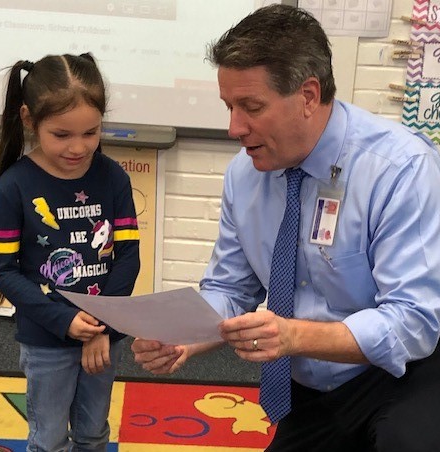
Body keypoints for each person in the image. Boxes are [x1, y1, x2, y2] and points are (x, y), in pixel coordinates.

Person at [131, 5, 440, 452]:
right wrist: (183, 337)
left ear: (308, 96)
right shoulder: (245, 174)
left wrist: (294, 336)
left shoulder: (401, 169)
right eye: (229, 107)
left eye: (251, 107)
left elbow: (414, 320)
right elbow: (230, 289)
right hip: (313, 390)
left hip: (403, 374)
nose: (235, 128)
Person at [0, 53, 140, 451]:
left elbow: (127, 257)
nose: (78, 147)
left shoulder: (113, 176)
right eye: (62, 135)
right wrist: (66, 321)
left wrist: (102, 325)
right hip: (46, 341)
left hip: (105, 338)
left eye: (91, 133)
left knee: (93, 434)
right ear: (28, 118)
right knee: (49, 438)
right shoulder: (13, 186)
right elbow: (3, 271)